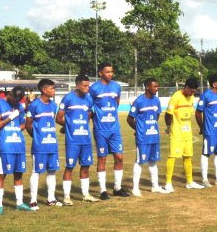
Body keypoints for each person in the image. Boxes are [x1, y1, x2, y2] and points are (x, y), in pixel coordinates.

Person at [90, 62, 129, 200]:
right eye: (107, 72)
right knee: (102, 158)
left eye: (111, 72)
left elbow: (116, 102)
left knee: (119, 157)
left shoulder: (116, 86)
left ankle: (117, 188)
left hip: (114, 128)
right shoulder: (94, 88)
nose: (110, 74)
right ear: (100, 73)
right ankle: (102, 191)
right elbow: (90, 106)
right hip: (100, 129)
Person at [57, 74, 97, 204]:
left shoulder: (89, 99)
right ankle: (67, 196)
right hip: (72, 140)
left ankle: (86, 194)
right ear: (77, 85)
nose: (87, 88)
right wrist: (68, 126)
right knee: (70, 166)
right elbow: (58, 118)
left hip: (85, 139)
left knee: (85, 166)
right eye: (85, 85)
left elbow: (89, 114)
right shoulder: (68, 98)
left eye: (88, 85)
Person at [127, 78, 170, 196]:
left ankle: (155, 186)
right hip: (143, 138)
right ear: (147, 87)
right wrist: (138, 129)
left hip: (154, 136)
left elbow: (156, 116)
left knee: (153, 162)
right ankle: (135, 188)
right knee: (140, 161)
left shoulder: (156, 101)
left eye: (157, 86)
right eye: (155, 86)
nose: (157, 88)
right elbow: (129, 119)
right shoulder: (139, 101)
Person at [25, 79, 62, 207]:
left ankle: (51, 199)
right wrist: (36, 136)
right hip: (40, 146)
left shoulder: (53, 105)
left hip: (52, 144)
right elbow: (28, 124)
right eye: (51, 88)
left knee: (52, 171)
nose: (54, 91)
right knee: (36, 171)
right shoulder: (34, 105)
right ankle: (33, 201)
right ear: (43, 90)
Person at [0, 86, 28, 213]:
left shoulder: (20, 106)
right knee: (2, 174)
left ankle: (20, 203)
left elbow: (23, 123)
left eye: (18, 101)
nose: (15, 103)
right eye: (14, 100)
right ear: (10, 94)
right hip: (6, 145)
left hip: (19, 144)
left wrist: (19, 128)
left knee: (19, 174)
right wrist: (11, 116)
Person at [165, 77, 203, 191]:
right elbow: (168, 114)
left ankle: (190, 182)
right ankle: (168, 183)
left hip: (187, 132)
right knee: (172, 156)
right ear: (186, 87)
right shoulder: (176, 97)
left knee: (188, 156)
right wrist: (168, 127)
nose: (193, 93)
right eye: (191, 91)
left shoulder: (191, 98)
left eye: (194, 91)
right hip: (176, 132)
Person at [196, 74, 217, 186]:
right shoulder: (206, 95)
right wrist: (202, 127)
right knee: (206, 153)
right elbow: (198, 113)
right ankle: (204, 179)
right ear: (214, 84)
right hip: (210, 131)